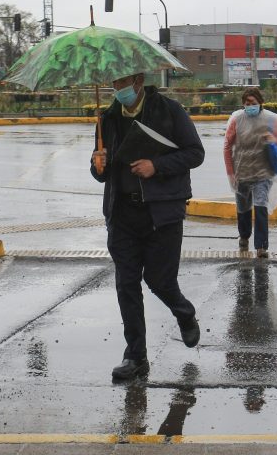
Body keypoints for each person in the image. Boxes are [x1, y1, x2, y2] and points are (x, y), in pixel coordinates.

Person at [90, 72, 205, 381]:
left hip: (161, 213)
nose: (118, 88)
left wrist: (157, 166)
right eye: (113, 83)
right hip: (121, 214)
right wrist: (97, 165)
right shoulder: (107, 118)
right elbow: (102, 172)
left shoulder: (169, 110)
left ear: (138, 80)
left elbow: (195, 153)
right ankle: (136, 356)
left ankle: (184, 312)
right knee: (126, 285)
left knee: (159, 280)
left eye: (122, 82)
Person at [223, 88, 277, 258]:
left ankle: (261, 247)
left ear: (260, 103)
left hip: (263, 173)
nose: (250, 106)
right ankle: (244, 237)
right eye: (247, 103)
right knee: (243, 209)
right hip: (241, 172)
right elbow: (227, 146)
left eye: (253, 103)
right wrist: (230, 172)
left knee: (260, 207)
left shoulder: (270, 119)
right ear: (243, 104)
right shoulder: (237, 120)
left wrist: (274, 140)